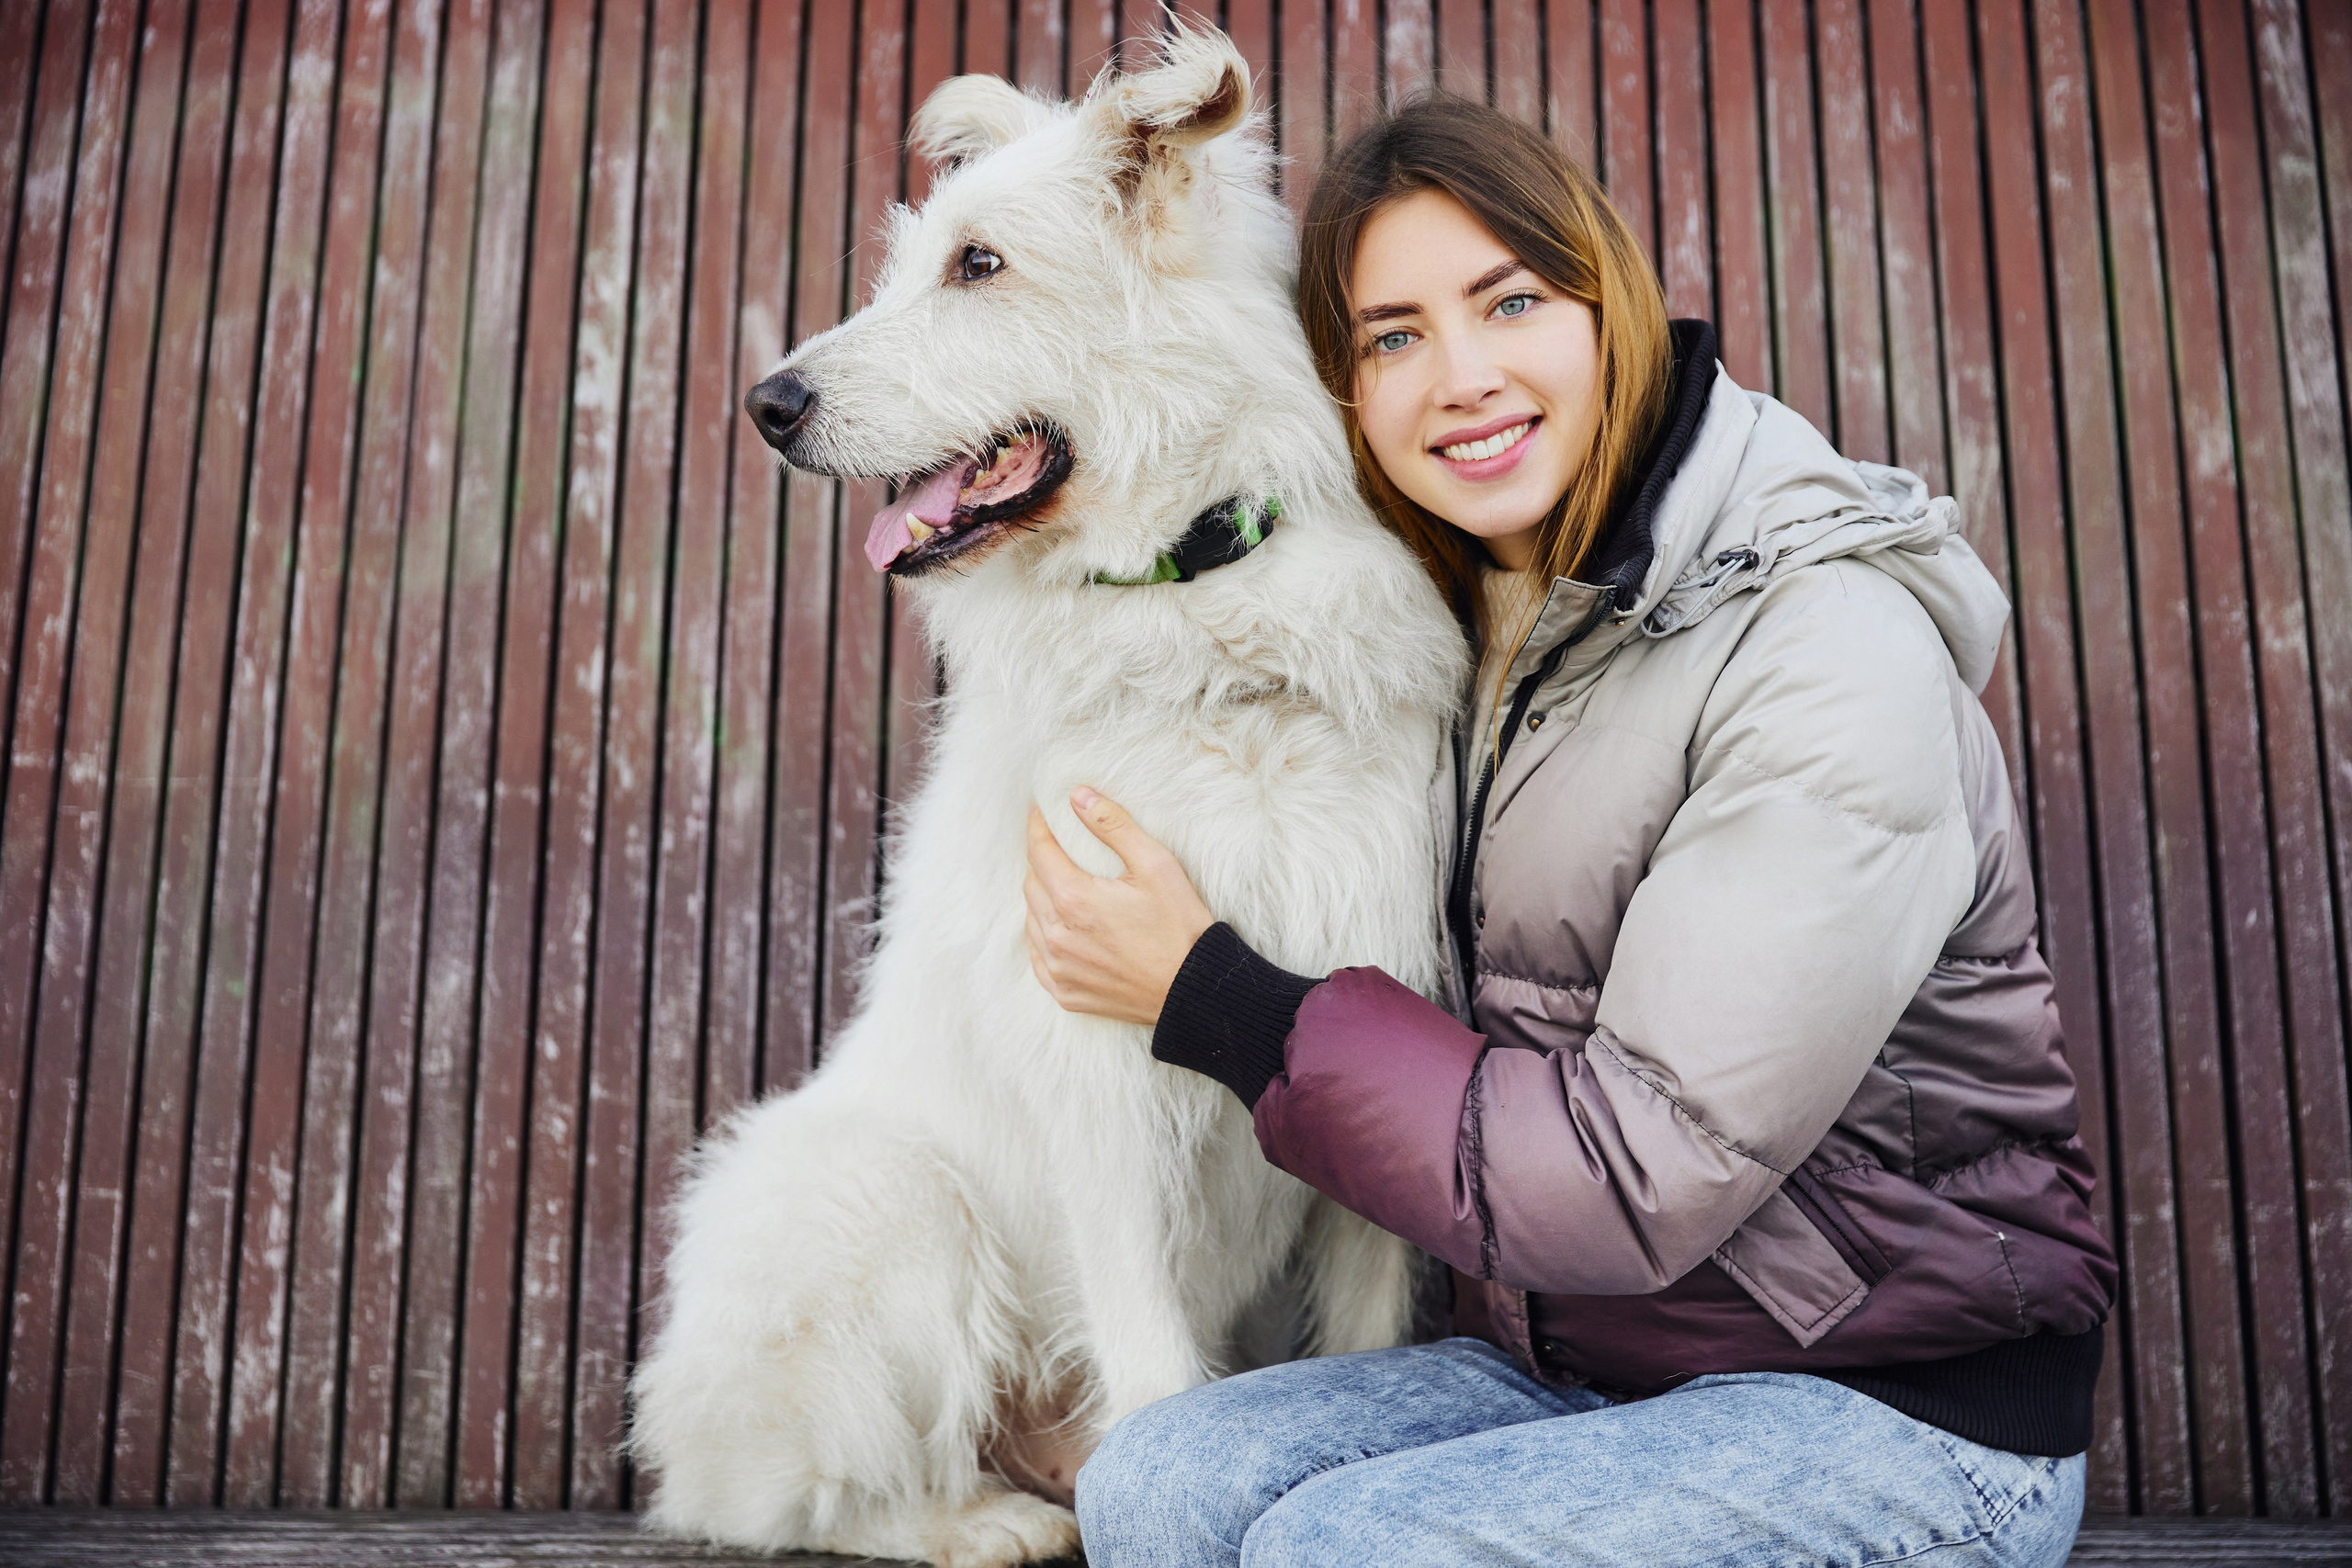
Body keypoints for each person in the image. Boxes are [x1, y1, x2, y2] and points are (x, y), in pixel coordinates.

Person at [1021, 97, 2116, 1568]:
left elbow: (1641, 1168)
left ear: (1609, 306)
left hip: (1896, 1414)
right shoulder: (1486, 626)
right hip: (1591, 1374)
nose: (1460, 377)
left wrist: (1210, 997)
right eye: (1393, 337)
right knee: (1156, 1480)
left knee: (1344, 1553)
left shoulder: (1820, 649)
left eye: (1511, 302)